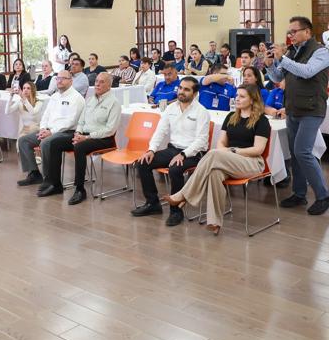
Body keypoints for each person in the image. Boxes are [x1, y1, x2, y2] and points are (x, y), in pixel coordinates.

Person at [163, 85, 272, 236]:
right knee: (214, 172)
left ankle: (184, 195)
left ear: (253, 100)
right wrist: (227, 152)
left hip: (251, 162)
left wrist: (233, 151)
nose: (237, 99)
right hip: (228, 160)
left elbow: (258, 150)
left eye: (242, 96)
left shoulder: (261, 120)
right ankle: (214, 222)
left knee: (214, 154)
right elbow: (221, 143)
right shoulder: (231, 117)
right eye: (237, 95)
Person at [268, 16, 329, 215]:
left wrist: (283, 58)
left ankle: (324, 195)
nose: (291, 35)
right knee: (295, 153)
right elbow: (278, 77)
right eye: (289, 32)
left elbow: (307, 72)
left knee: (302, 151)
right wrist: (271, 64)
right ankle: (299, 193)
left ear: (307, 32)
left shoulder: (321, 52)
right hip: (293, 108)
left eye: (294, 31)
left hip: (312, 109)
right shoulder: (292, 52)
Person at [133, 76, 211, 225]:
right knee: (142, 163)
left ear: (195, 94)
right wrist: (151, 150)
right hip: (173, 149)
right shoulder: (171, 108)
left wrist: (184, 154)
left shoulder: (202, 112)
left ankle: (176, 211)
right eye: (180, 88)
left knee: (175, 169)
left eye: (186, 89)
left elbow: (201, 140)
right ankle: (152, 203)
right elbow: (160, 132)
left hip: (194, 154)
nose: (181, 91)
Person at [47, 72, 121, 205]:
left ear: (109, 86)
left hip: (103, 139)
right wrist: (78, 133)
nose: (97, 84)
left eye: (102, 82)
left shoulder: (114, 103)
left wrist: (87, 137)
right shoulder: (90, 99)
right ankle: (56, 184)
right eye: (96, 81)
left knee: (79, 147)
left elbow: (110, 130)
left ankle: (80, 189)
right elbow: (81, 121)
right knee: (55, 143)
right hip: (84, 135)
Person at [15, 69, 84, 190]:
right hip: (49, 131)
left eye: (63, 78)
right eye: (58, 78)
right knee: (23, 141)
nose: (59, 81)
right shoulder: (55, 96)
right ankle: (34, 173)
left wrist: (51, 132)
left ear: (71, 81)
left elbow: (71, 121)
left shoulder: (77, 98)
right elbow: (46, 115)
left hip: (68, 133)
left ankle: (49, 179)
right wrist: (43, 129)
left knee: (46, 142)